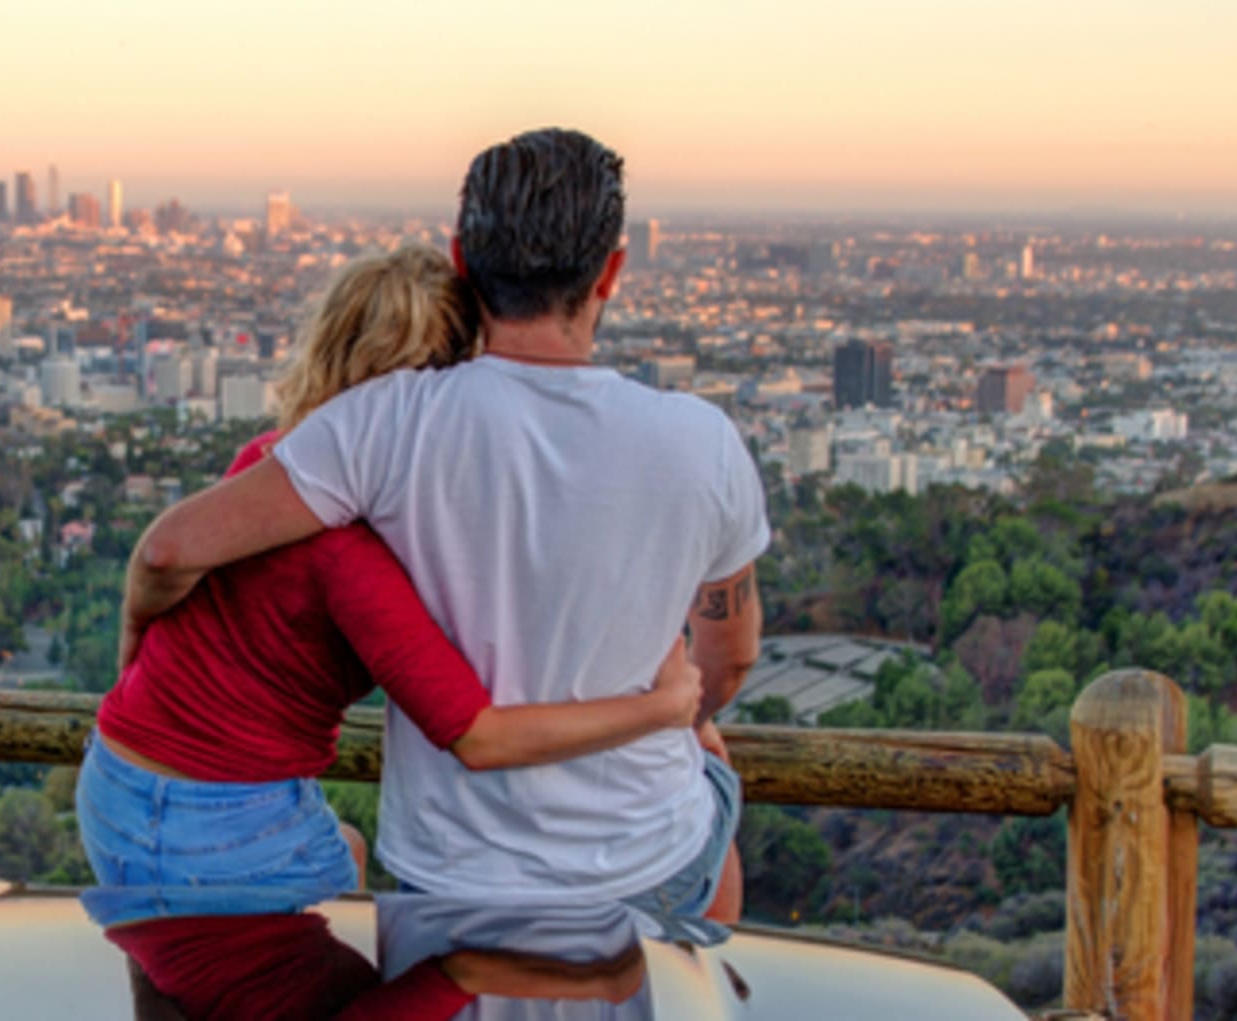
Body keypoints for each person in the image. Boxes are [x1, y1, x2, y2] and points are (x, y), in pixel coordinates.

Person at [123, 128, 765, 941]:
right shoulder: (700, 441)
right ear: (611, 271)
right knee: (711, 799)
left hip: (449, 875)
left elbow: (173, 546)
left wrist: (136, 653)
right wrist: (685, 711)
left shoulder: (380, 423)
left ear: (462, 261)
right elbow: (730, 654)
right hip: (644, 863)